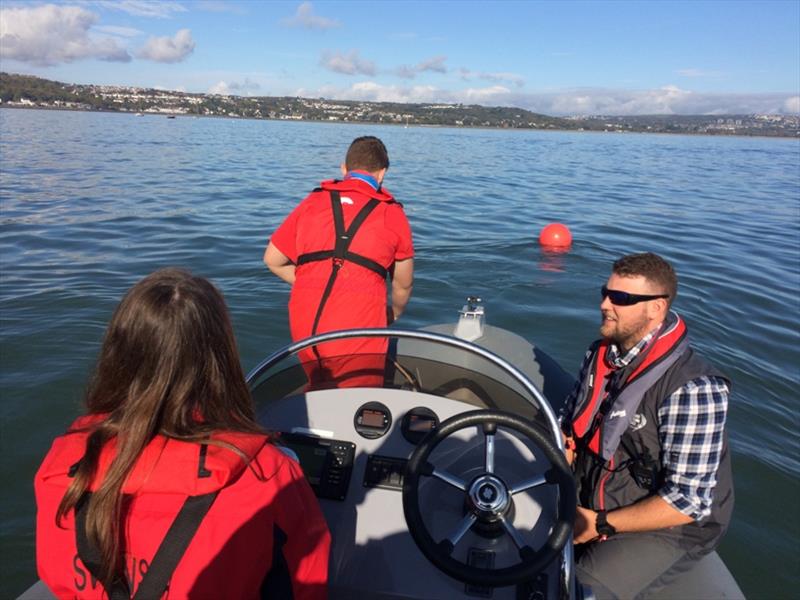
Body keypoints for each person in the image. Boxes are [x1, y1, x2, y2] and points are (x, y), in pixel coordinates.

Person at [35, 268, 330, 599]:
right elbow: (306, 583)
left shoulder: (65, 465)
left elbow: (57, 577)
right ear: (221, 358)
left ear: (118, 353)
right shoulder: (268, 476)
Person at [561, 253, 733, 599]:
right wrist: (564, 448)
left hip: (663, 526)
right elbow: (571, 420)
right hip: (595, 490)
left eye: (621, 299)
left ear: (656, 309)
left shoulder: (694, 388)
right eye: (605, 293)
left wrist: (599, 524)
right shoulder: (600, 354)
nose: (605, 305)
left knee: (575, 591)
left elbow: (688, 500)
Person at [264, 136, 414, 388]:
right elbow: (403, 285)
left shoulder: (311, 202)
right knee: (357, 403)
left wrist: (313, 282)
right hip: (356, 331)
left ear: (343, 169)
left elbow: (272, 260)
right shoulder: (392, 213)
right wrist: (393, 313)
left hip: (306, 326)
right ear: (382, 174)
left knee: (318, 387)